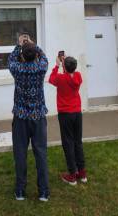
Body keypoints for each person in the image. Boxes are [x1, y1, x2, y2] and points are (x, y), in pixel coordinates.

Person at [8, 35, 50, 202]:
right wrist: (33, 44)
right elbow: (45, 57)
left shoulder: (17, 69)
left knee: (20, 154)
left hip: (20, 118)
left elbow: (10, 60)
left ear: (23, 56)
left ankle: (20, 191)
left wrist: (19, 45)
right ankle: (43, 193)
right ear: (35, 55)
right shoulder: (41, 68)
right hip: (38, 117)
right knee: (41, 153)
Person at [49, 55, 87, 185]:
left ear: (65, 67)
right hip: (77, 113)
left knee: (68, 143)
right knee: (78, 142)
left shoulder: (60, 78)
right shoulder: (78, 76)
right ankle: (82, 172)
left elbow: (51, 79)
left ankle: (72, 175)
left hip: (65, 114)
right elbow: (70, 75)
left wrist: (57, 65)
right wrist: (65, 64)